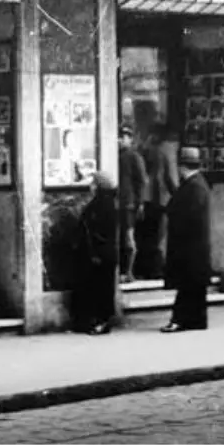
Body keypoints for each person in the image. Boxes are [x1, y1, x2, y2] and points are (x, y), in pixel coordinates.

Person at [161, 148, 212, 333]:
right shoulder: (197, 184)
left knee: (187, 287)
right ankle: (196, 320)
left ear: (182, 166)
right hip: (194, 246)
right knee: (194, 288)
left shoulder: (194, 186)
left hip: (189, 246)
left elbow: (186, 216)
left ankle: (181, 320)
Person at [72, 172, 119, 336]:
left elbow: (99, 230)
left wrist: (96, 250)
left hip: (101, 254)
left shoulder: (104, 205)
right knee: (97, 288)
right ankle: (95, 320)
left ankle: (103, 322)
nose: (90, 187)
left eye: (93, 184)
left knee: (103, 290)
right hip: (98, 254)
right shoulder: (102, 203)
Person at [141, 124, 179, 281]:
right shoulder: (168, 149)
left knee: (150, 234)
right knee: (161, 235)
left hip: (149, 196)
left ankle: (147, 268)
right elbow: (171, 176)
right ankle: (158, 269)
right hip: (163, 198)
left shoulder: (152, 149)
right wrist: (178, 195)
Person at [117, 125, 148, 282]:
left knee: (129, 239)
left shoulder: (134, 157)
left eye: (124, 136)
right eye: (119, 137)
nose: (120, 140)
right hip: (118, 203)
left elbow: (142, 181)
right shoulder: (117, 156)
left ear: (130, 139)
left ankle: (129, 272)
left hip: (129, 203)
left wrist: (140, 202)